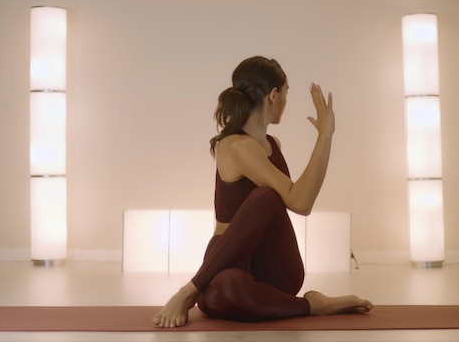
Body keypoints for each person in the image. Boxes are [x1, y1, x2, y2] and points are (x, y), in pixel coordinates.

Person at [152, 56, 373, 328]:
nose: (286, 101)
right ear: (273, 95)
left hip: (277, 267)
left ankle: (192, 290)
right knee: (225, 292)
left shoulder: (272, 144)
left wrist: (324, 137)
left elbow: (301, 202)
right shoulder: (234, 146)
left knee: (266, 197)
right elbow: (296, 198)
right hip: (227, 264)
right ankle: (312, 305)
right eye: (286, 93)